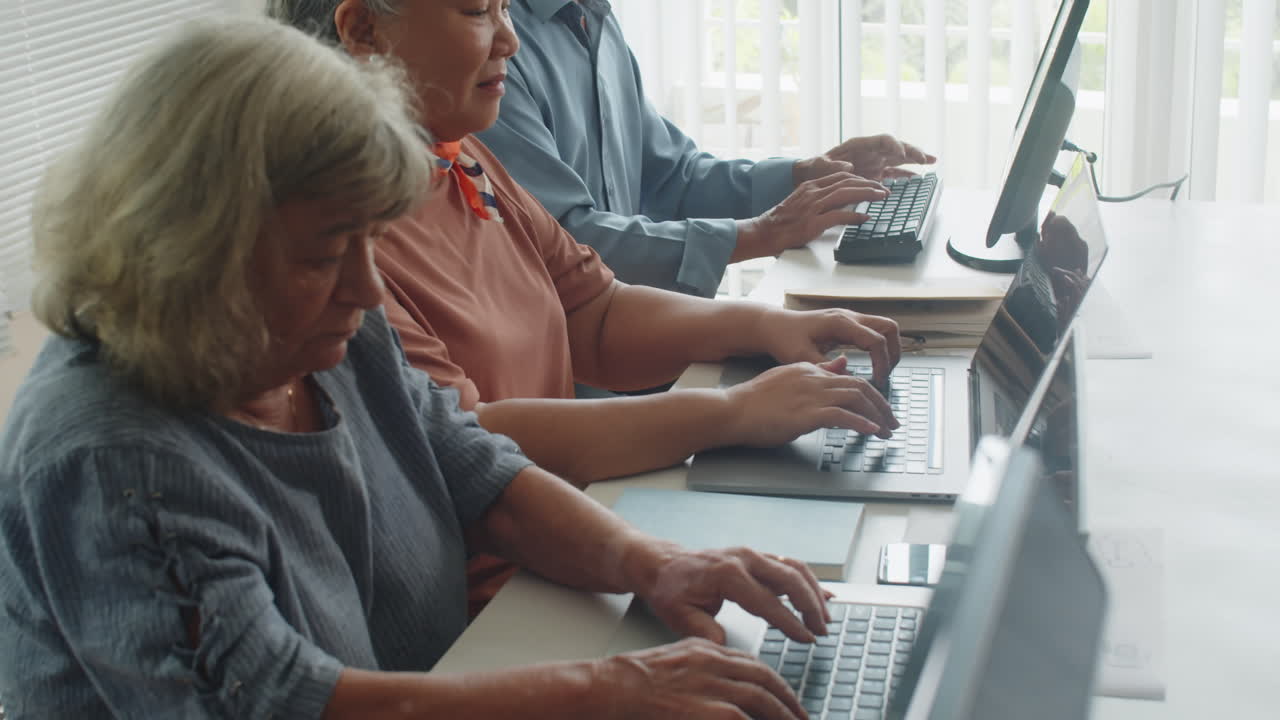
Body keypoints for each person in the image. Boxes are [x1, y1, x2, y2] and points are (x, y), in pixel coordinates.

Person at [0, 17, 836, 719]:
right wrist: (600, 691)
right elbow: (282, 703)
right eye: (327, 255)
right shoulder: (115, 461)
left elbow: (476, 471)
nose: (366, 287)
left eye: (372, 239)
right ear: (190, 255)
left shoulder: (319, 330)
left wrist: (651, 563)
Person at [267, 0, 906, 611]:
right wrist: (731, 411)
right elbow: (470, 445)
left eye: (506, 11)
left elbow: (595, 314)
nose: (509, 41)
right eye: (474, 12)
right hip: (505, 594)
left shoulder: (461, 156)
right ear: (364, 31)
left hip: (582, 534)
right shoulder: (334, 246)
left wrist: (769, 326)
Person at [477, 0, 938, 297]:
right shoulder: (493, 55)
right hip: (582, 373)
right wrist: (758, 234)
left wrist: (805, 176)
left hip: (640, 337)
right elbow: (566, 240)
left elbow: (672, 173)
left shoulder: (593, 17)